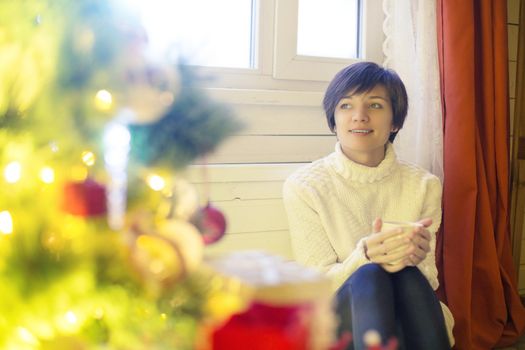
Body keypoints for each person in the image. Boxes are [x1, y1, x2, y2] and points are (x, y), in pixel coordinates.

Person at [282, 62, 454, 349]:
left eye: (374, 105)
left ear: (395, 121)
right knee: (371, 273)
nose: (359, 117)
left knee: (409, 274)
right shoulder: (305, 186)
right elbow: (317, 287)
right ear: (334, 121)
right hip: (337, 313)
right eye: (346, 106)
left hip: (407, 301)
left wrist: (417, 256)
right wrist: (363, 256)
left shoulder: (424, 185)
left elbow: (428, 280)